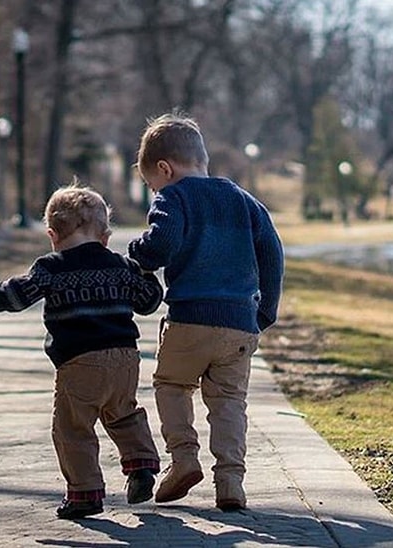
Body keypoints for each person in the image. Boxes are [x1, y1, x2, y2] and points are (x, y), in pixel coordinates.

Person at [0, 184, 164, 520]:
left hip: (80, 362)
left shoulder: (51, 268)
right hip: (125, 359)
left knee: (72, 428)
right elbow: (148, 302)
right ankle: (141, 467)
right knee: (124, 413)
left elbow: (16, 295)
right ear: (105, 236)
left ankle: (85, 493)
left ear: (52, 235)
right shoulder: (120, 265)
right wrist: (147, 273)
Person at [128, 112, 283, 511]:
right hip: (239, 324)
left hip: (189, 318)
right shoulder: (244, 201)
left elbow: (160, 246)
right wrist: (265, 310)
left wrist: (137, 253)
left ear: (165, 169)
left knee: (172, 385)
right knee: (230, 401)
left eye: (151, 184)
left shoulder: (173, 197)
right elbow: (272, 254)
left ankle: (183, 460)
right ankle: (230, 482)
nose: (154, 190)